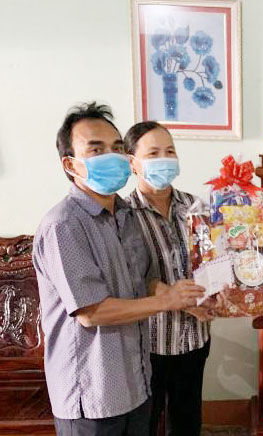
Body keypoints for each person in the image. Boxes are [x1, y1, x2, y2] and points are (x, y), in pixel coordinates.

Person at [32, 102, 204, 436]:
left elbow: (144, 279)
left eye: (116, 148)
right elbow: (91, 311)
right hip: (92, 392)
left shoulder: (124, 216)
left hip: (135, 382)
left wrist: (180, 295)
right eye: (96, 150)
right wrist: (168, 302)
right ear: (70, 164)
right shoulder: (64, 225)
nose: (111, 157)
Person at [124, 121, 213, 436]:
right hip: (150, 342)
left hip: (195, 336)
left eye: (170, 151)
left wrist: (218, 297)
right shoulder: (124, 215)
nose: (164, 159)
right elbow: (133, 276)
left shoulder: (195, 207)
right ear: (132, 162)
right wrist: (184, 302)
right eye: (153, 153)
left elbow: (214, 260)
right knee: (145, 424)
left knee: (188, 422)